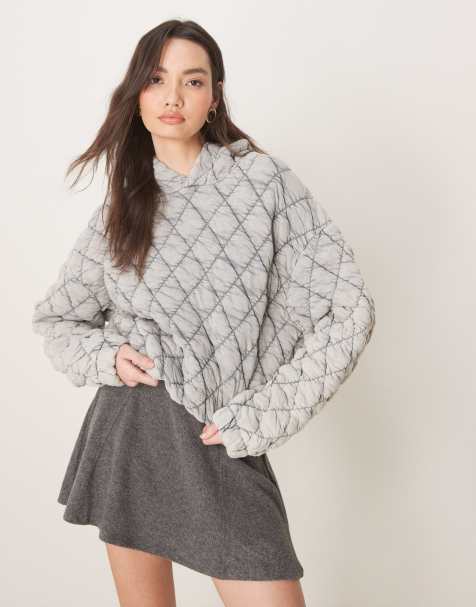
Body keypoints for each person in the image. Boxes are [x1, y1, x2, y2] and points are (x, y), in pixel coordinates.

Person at [31, 19, 376, 607]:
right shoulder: (124, 204)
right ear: (137, 94)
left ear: (214, 96)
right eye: (156, 80)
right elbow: (57, 319)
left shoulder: (264, 182)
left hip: (221, 435)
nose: (173, 97)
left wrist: (262, 416)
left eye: (192, 81)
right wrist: (109, 356)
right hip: (132, 429)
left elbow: (349, 309)